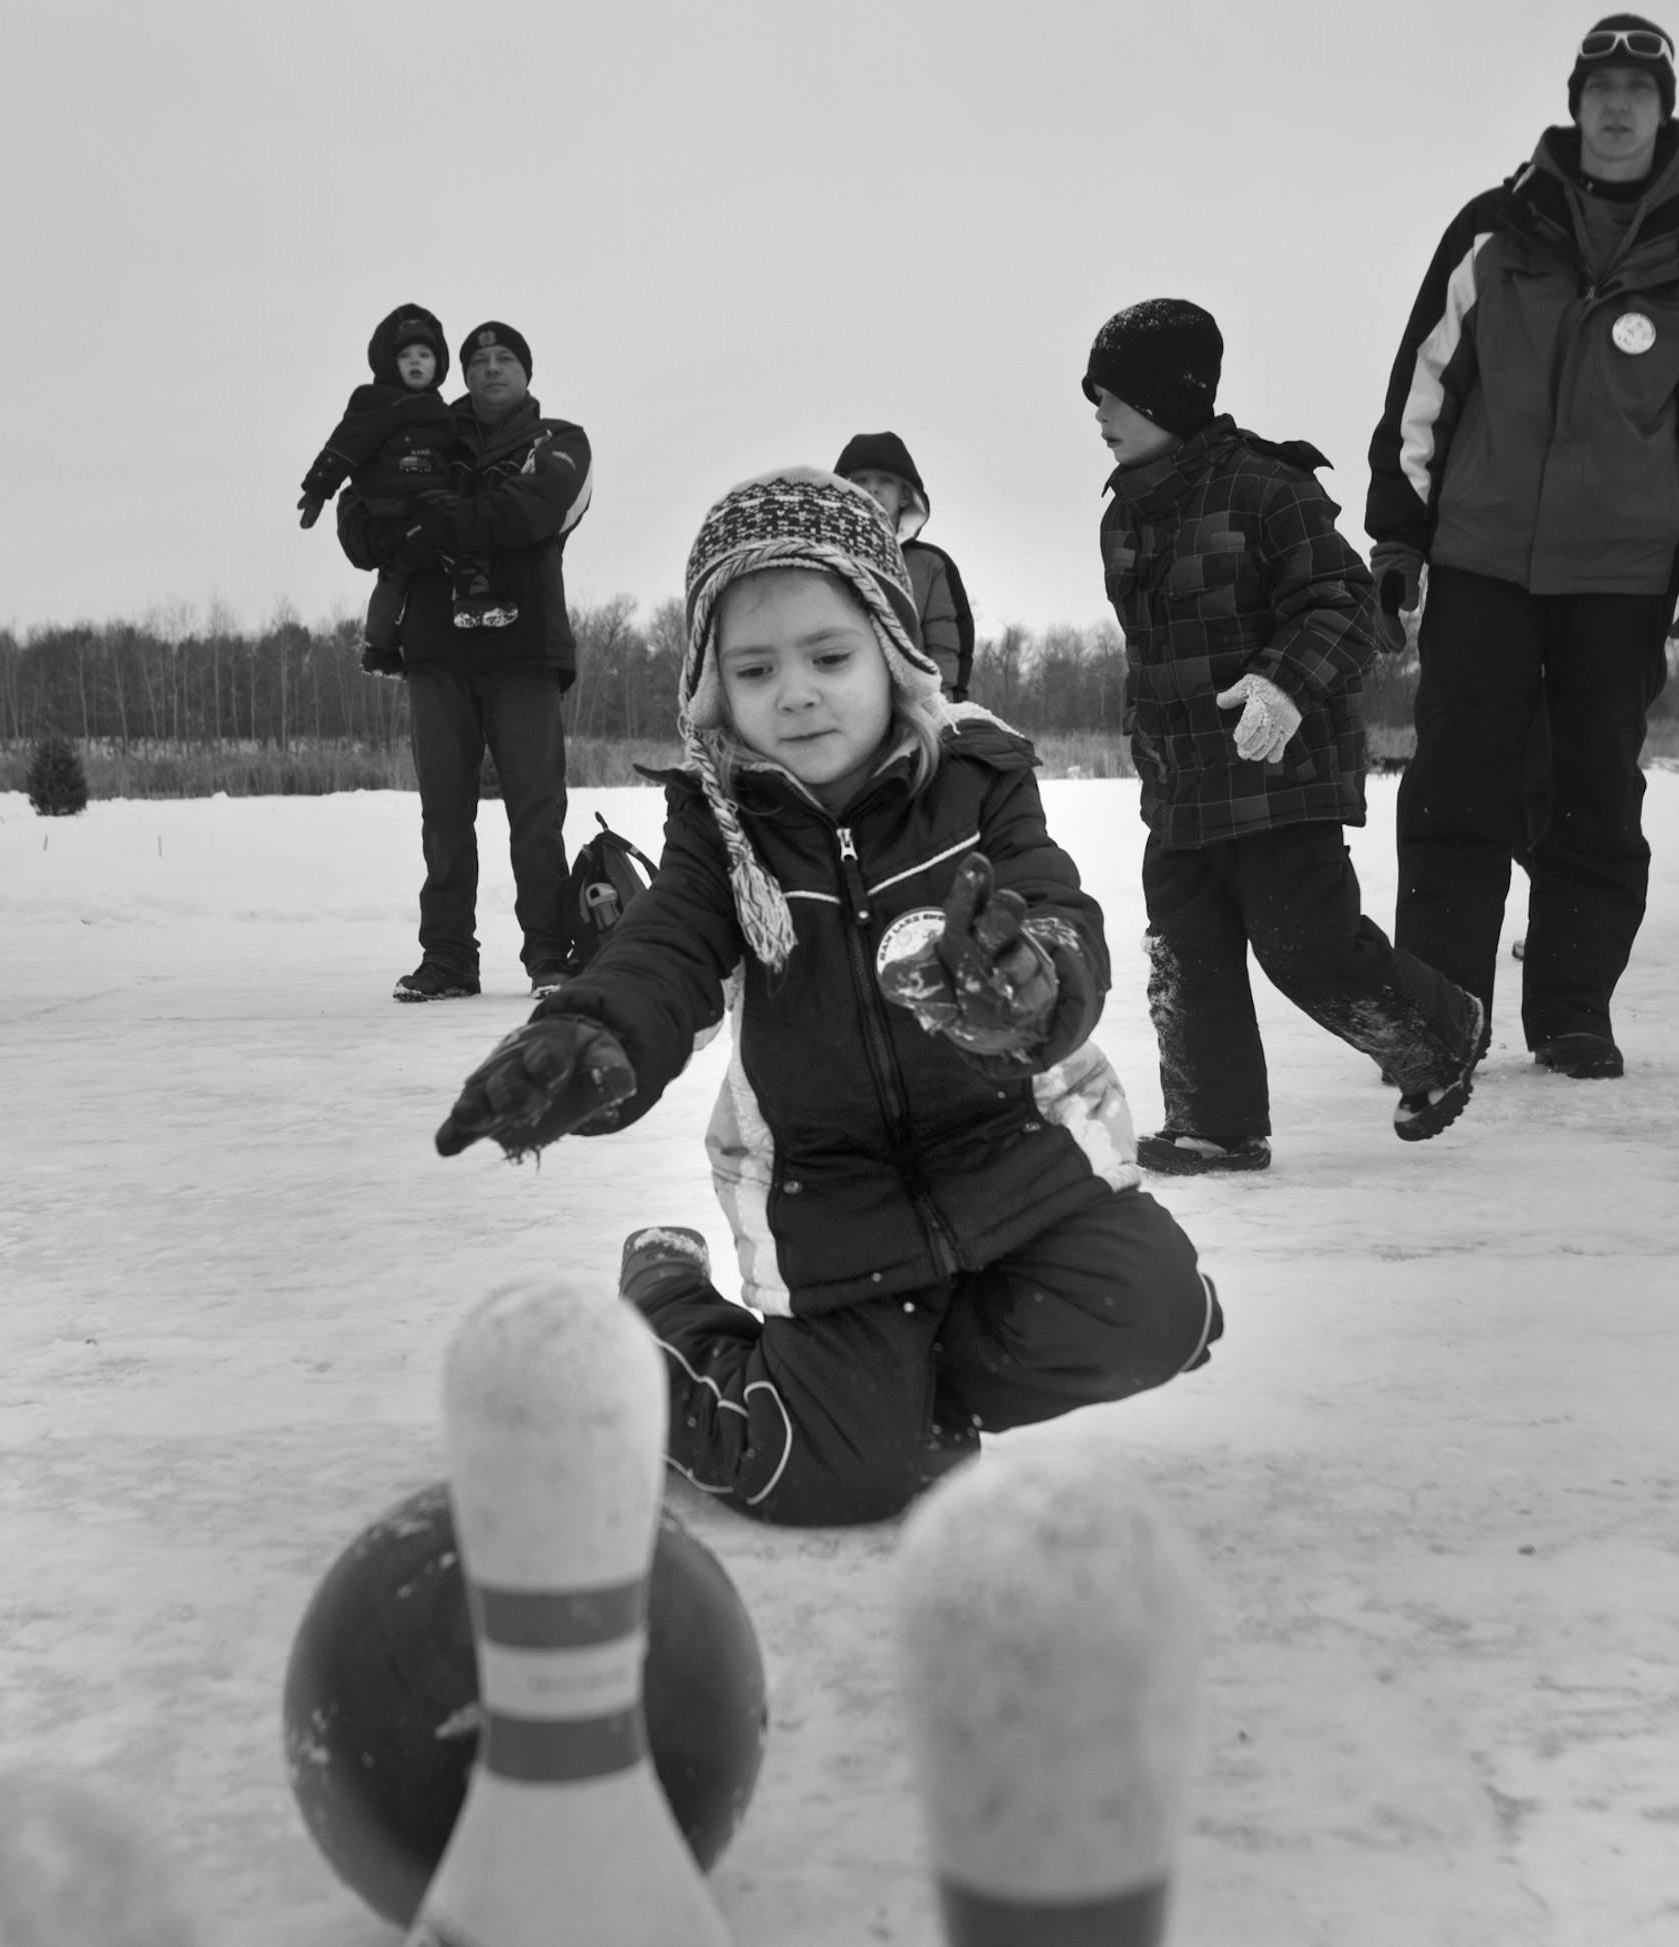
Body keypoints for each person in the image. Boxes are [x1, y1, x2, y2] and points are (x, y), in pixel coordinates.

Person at [429, 468, 1219, 1526]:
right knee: (824, 1471)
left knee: (1157, 1311)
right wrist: (592, 1033)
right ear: (718, 691)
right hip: (832, 1211)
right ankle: (664, 1302)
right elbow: (665, 949)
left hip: (1007, 1161)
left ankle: (904, 1398)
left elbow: (1053, 907)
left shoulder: (977, 776)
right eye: (755, 670)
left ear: (893, 652)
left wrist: (1028, 985)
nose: (794, 692)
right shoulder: (723, 826)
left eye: (829, 657)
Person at [1366, 15, 1679, 1080]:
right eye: (1603, 85)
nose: (1619, 105)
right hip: (1483, 563)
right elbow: (1422, 389)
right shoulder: (1494, 232)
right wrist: (1399, 539)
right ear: (1576, 99)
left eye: (1641, 88)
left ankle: (1573, 1011)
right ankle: (1437, 1017)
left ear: (1664, 108)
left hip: (1622, 580)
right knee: (1457, 786)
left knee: (1597, 791)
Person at [1086, 298, 1486, 1173]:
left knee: (1303, 944)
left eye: (1113, 396)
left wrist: (1284, 682)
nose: (1100, 416)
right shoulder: (1123, 514)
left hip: (1280, 774)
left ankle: (1439, 1035)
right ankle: (1216, 1122)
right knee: (1186, 958)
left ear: (1169, 395)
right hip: (1184, 787)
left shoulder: (1270, 488)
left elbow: (1344, 605)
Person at [336, 320, 593, 1001]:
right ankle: (448, 957)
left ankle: (551, 955)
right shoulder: (419, 435)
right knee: (444, 814)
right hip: (435, 650)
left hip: (524, 649)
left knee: (536, 812)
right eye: (477, 359)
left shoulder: (560, 441)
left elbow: (535, 511)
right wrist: (400, 526)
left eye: (506, 357)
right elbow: (359, 519)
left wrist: (429, 525)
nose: (490, 368)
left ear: (527, 372)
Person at [293, 305, 513, 658]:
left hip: (415, 490)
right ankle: (474, 600)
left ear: (437, 364)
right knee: (461, 528)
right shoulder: (378, 401)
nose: (415, 361)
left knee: (396, 570)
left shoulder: (440, 409)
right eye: (406, 355)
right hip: (393, 490)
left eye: (424, 355)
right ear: (388, 362)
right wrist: (320, 486)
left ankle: (379, 647)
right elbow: (348, 442)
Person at [834, 432, 977, 700]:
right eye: (861, 480)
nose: (872, 488)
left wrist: (940, 708)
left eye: (884, 481)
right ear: (843, 490)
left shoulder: (931, 565)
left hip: (913, 707)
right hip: (839, 705)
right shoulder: (819, 560)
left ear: (904, 496)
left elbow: (946, 647)